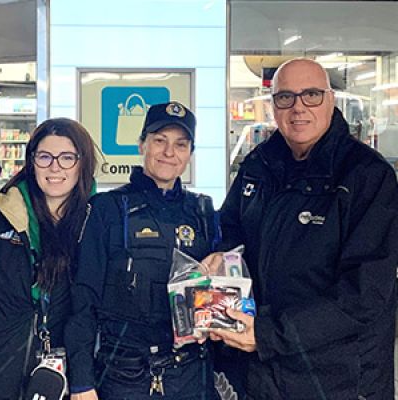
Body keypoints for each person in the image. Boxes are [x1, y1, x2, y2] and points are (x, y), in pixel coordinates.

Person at [214, 58, 398, 399]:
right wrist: (220, 256)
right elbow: (231, 227)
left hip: (337, 379)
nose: (298, 108)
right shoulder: (259, 165)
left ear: (330, 100)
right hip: (262, 375)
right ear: (273, 107)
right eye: (285, 97)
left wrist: (269, 335)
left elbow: (364, 295)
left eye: (311, 95)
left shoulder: (366, 177)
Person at [65, 101, 219, 400]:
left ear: (190, 153)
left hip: (192, 375)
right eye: (159, 141)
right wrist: (82, 383)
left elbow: (220, 289)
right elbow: (83, 300)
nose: (169, 152)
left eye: (181, 144)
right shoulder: (108, 209)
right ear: (141, 145)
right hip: (125, 376)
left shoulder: (203, 211)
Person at [0, 117, 98, 400]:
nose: (55, 167)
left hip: (66, 379)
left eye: (67, 158)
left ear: (82, 163)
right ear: (31, 161)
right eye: (45, 157)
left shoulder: (96, 223)